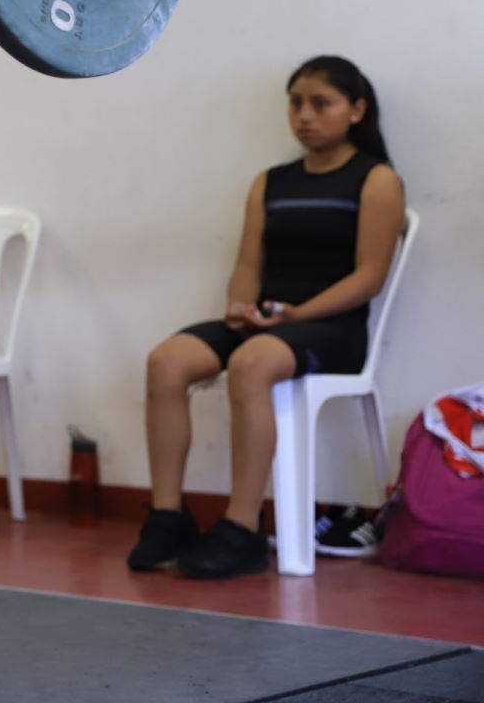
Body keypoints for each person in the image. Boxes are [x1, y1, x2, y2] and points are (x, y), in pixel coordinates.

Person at [129, 56, 405, 579]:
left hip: (333, 328)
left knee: (253, 363)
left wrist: (298, 314)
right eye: (296, 103)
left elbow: (369, 276)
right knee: (167, 361)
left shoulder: (376, 180)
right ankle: (167, 517)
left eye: (321, 103)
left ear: (356, 110)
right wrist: (241, 309)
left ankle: (243, 527)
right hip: (269, 324)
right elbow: (248, 265)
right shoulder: (270, 182)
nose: (304, 115)